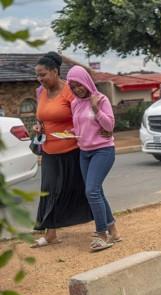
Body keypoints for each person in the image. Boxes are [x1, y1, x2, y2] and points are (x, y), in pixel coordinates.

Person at [31, 52, 93, 247]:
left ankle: (106, 226)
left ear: (55, 72)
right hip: (49, 148)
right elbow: (41, 116)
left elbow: (85, 116)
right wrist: (38, 126)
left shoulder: (70, 90)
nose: (40, 79)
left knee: (87, 189)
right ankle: (50, 234)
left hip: (73, 149)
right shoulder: (40, 91)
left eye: (43, 74)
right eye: (38, 75)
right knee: (49, 190)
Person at [67, 65, 120, 252]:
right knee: (97, 191)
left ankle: (101, 234)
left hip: (103, 151)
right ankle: (113, 230)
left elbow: (109, 125)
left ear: (86, 82)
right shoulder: (74, 103)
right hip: (85, 152)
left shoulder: (101, 99)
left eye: (78, 85)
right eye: (72, 86)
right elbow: (83, 126)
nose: (76, 89)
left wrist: (96, 109)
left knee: (92, 191)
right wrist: (71, 132)